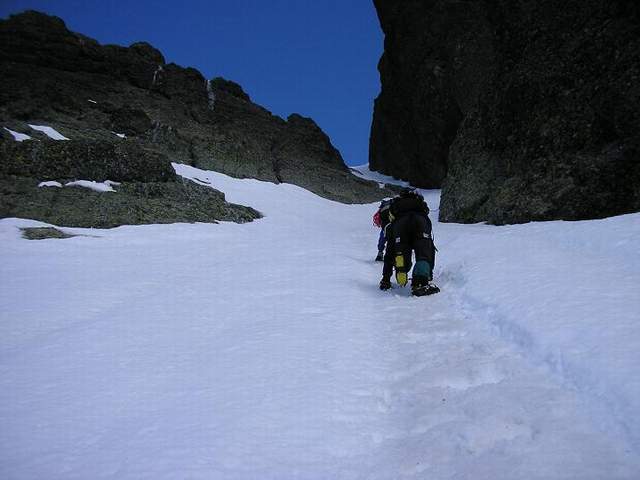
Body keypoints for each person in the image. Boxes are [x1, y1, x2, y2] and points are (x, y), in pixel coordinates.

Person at [379, 188, 439, 296]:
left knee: (399, 252)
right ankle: (421, 282)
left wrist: (385, 278)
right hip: (420, 224)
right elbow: (430, 249)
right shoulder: (420, 202)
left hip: (400, 227)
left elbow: (390, 249)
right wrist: (429, 274)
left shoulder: (396, 204)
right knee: (424, 253)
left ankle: (401, 269)